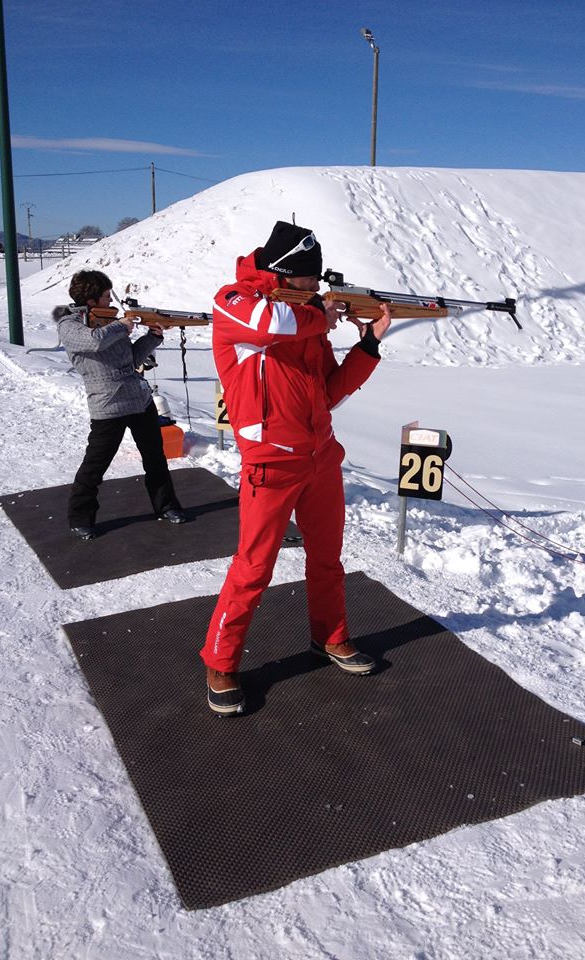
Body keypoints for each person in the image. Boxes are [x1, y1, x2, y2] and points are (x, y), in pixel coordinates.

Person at [200, 221, 391, 715]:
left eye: (316, 282)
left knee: (327, 559)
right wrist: (322, 316)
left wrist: (368, 344)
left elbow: (329, 392)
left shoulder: (307, 320)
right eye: (306, 281)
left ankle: (330, 638)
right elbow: (269, 324)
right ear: (281, 272)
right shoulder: (235, 302)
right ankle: (221, 662)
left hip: (320, 458)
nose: (314, 288)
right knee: (253, 568)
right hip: (269, 463)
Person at [53, 269, 187, 540]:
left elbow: (131, 358)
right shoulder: (69, 326)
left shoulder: (108, 321)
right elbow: (93, 343)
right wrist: (122, 325)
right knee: (95, 465)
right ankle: (80, 517)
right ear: (91, 301)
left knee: (155, 457)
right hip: (108, 405)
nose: (109, 301)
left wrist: (154, 335)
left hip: (139, 399)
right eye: (105, 296)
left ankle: (167, 506)